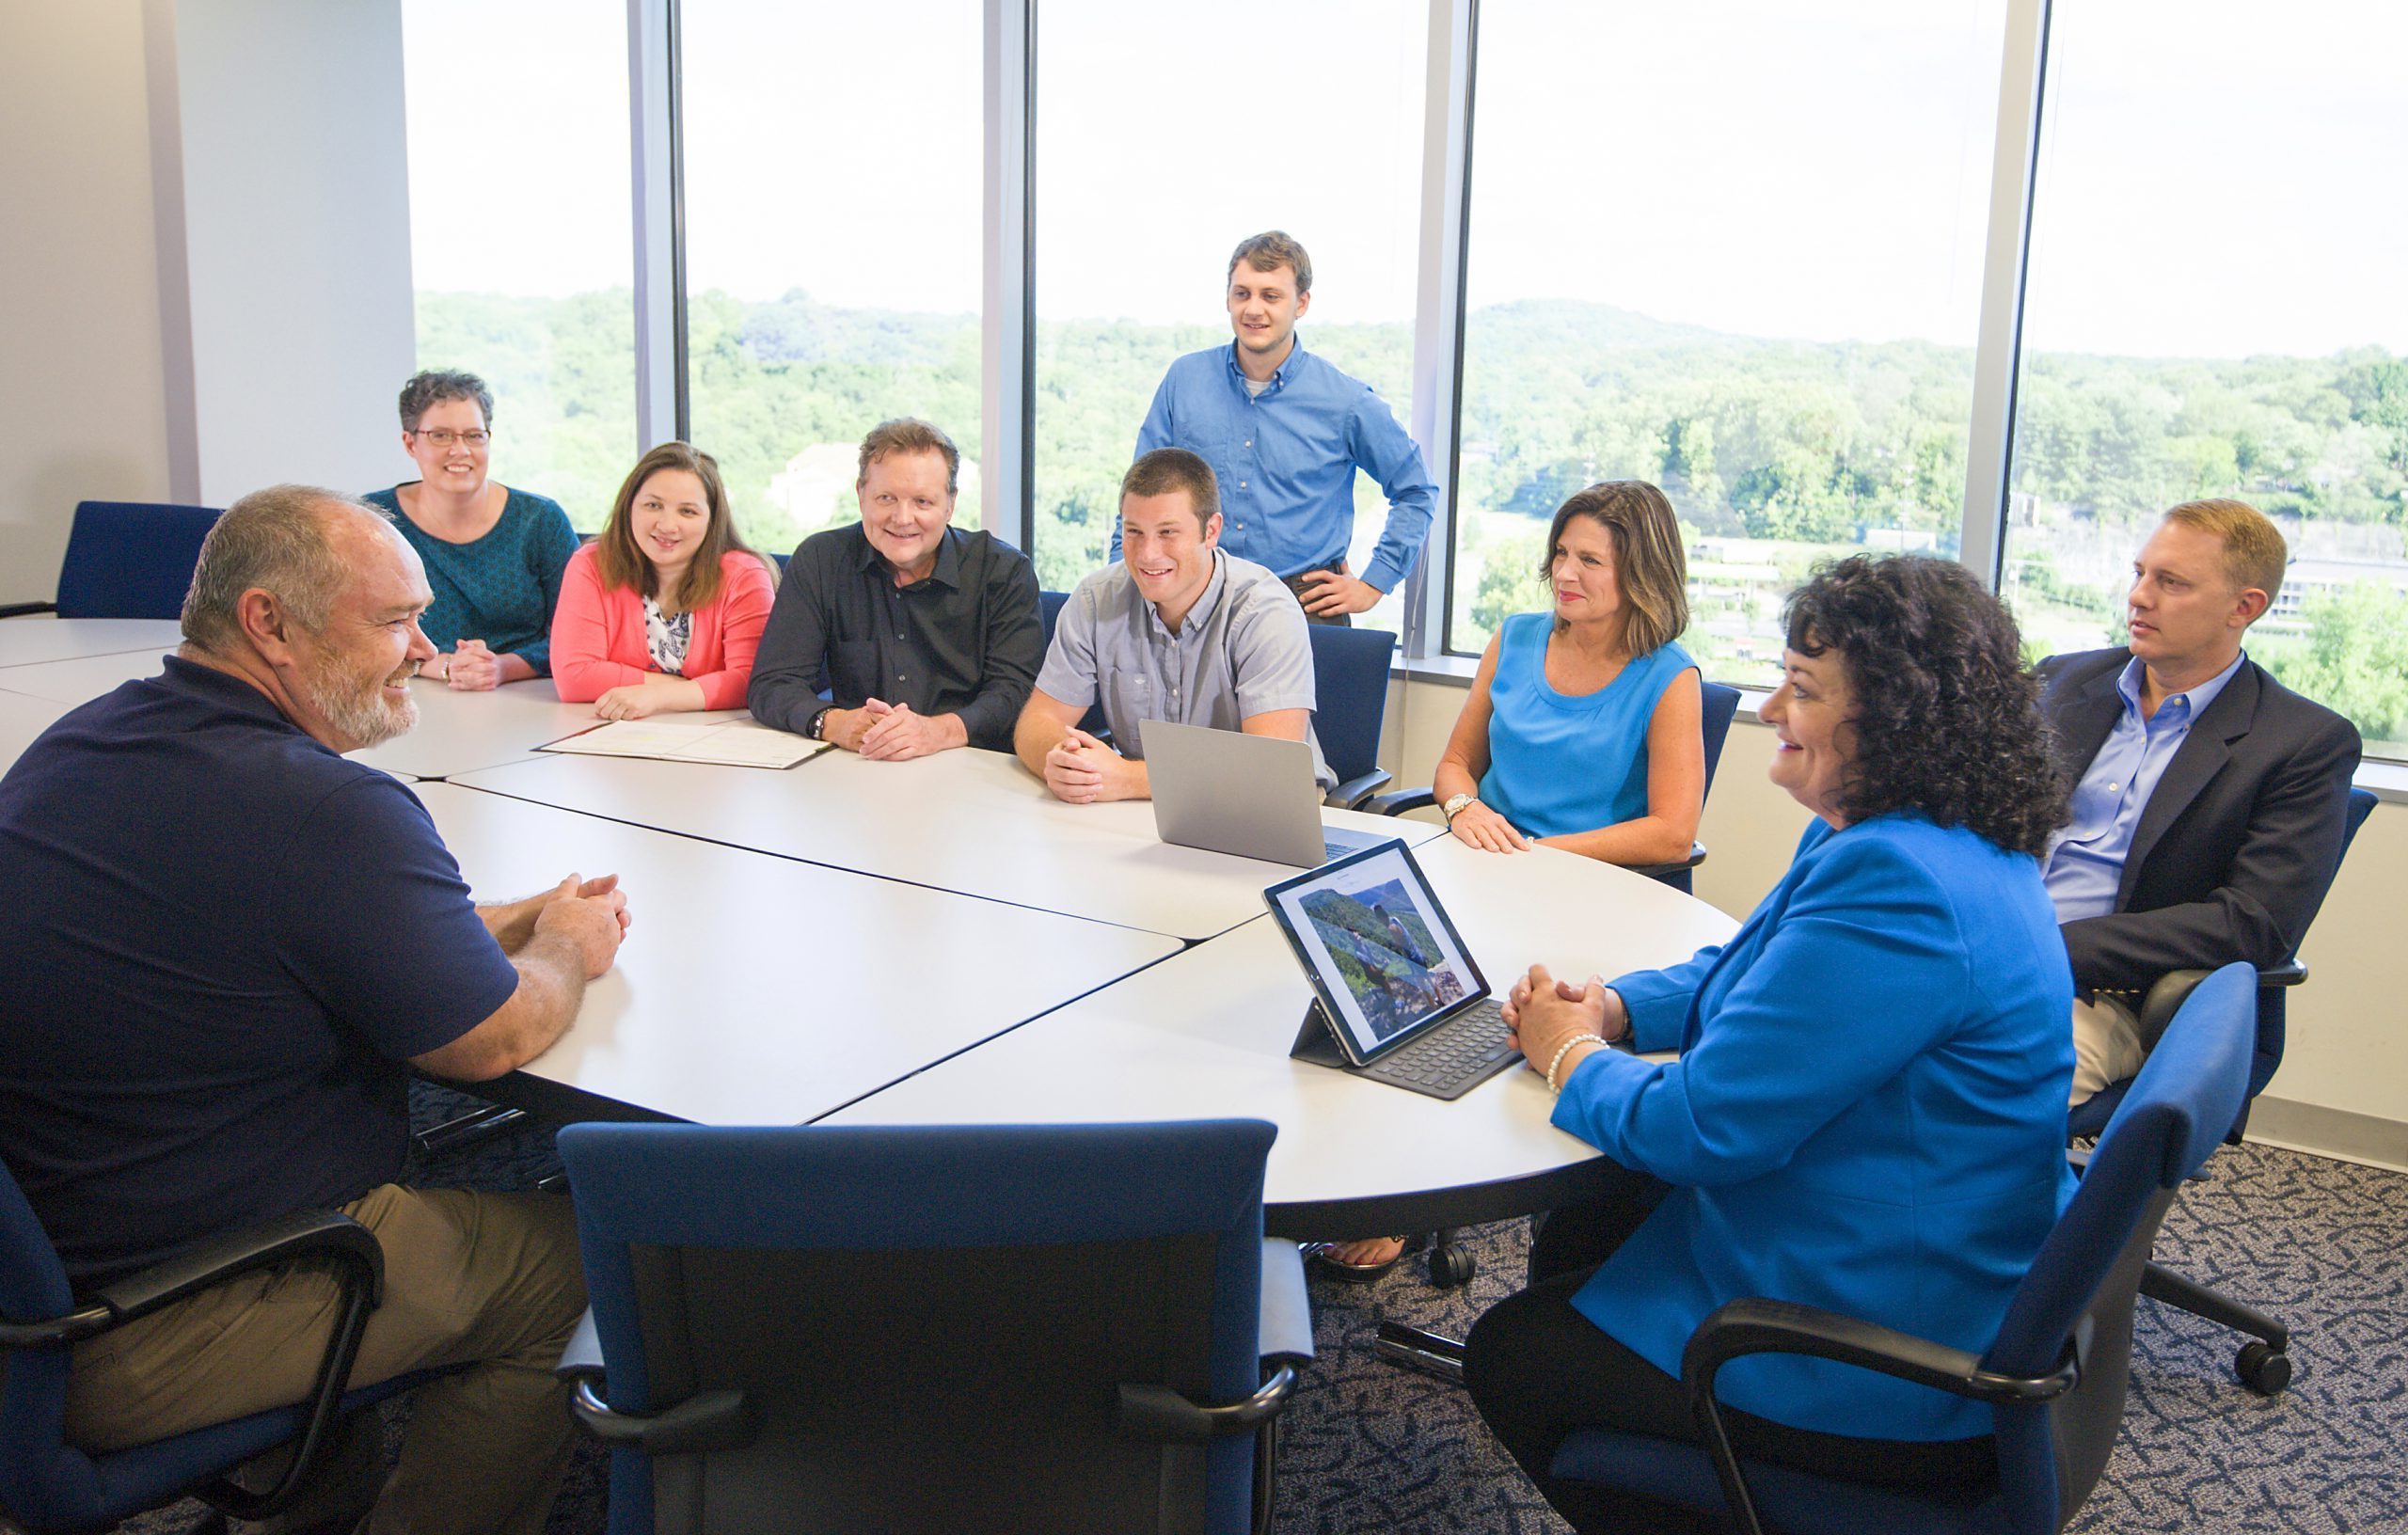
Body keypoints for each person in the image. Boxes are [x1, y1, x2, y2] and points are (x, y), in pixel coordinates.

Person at [0, 486, 630, 1535]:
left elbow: (267, 914)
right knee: (580, 1270)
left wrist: (505, 918)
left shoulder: (88, 744)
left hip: (60, 1253)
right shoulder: (327, 809)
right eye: (390, 622)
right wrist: (565, 948)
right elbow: (494, 1040)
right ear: (268, 624)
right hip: (147, 1322)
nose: (422, 649)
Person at [1463, 555, 2075, 1534]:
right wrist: (1615, 1008)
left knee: (1512, 1353)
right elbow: (1757, 973)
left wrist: (1567, 1053)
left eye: (1803, 688)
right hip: (1920, 1248)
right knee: (1588, 1232)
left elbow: (1700, 1130)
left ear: (1893, 720)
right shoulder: (1907, 834)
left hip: (1880, 1347)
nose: (1769, 709)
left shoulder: (1901, 888)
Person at [2037, 498, 2361, 1106]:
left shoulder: (2303, 743)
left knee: (1963, 1089)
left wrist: (2047, 944)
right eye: (2139, 573)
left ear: (2245, 607)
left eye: (2171, 583)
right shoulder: (2063, 682)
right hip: (1972, 953)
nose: (2138, 596)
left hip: (2105, 996)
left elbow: (2253, 925)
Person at [1130, 230, 1437, 625]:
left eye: (1270, 296)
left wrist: (1374, 583)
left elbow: (1416, 489)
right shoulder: (1184, 380)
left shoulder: (1346, 401)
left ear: (1301, 303)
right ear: (1228, 298)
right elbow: (1140, 494)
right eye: (1243, 293)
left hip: (1304, 610)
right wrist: (1124, 581)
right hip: (1192, 601)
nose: (1254, 309)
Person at [1015, 447, 1330, 801]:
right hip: (1143, 809)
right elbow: (1036, 722)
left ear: (1211, 531)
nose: (1147, 554)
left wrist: (1128, 778)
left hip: (1264, 808)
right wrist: (1065, 763)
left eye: (1167, 532)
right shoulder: (1095, 599)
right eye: (1134, 531)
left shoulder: (1264, 612)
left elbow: (1270, 768)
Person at [1429, 481, 1704, 863]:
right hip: (1485, 863)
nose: (1564, 573)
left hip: (1587, 882)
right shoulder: (1513, 638)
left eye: (1589, 560)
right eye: (1561, 553)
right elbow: (1455, 764)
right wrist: (1464, 808)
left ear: (1642, 573)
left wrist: (1531, 855)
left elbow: (1673, 835)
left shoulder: (1671, 677)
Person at [748, 418, 1040, 758]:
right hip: (857, 766)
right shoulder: (821, 560)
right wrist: (835, 722)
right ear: (861, 495)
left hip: (972, 766)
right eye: (886, 498)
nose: (902, 519)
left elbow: (1015, 693)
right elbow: (772, 684)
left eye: (922, 502)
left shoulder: (1003, 571)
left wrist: (937, 732)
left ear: (950, 504)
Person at [363, 368, 579, 689]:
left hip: (529, 696)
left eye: (474, 436)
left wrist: (500, 668)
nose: (460, 450)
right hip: (410, 693)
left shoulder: (541, 520)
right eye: (441, 435)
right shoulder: (375, 521)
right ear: (410, 443)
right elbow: (358, 629)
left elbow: (576, 634)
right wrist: (439, 665)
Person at [550, 441, 776, 719]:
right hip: (614, 737)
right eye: (653, 505)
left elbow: (752, 681)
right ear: (629, 506)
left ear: (712, 519)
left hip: (718, 741)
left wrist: (658, 696)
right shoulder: (591, 564)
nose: (667, 525)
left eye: (687, 511)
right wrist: (683, 688)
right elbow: (574, 676)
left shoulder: (744, 576)